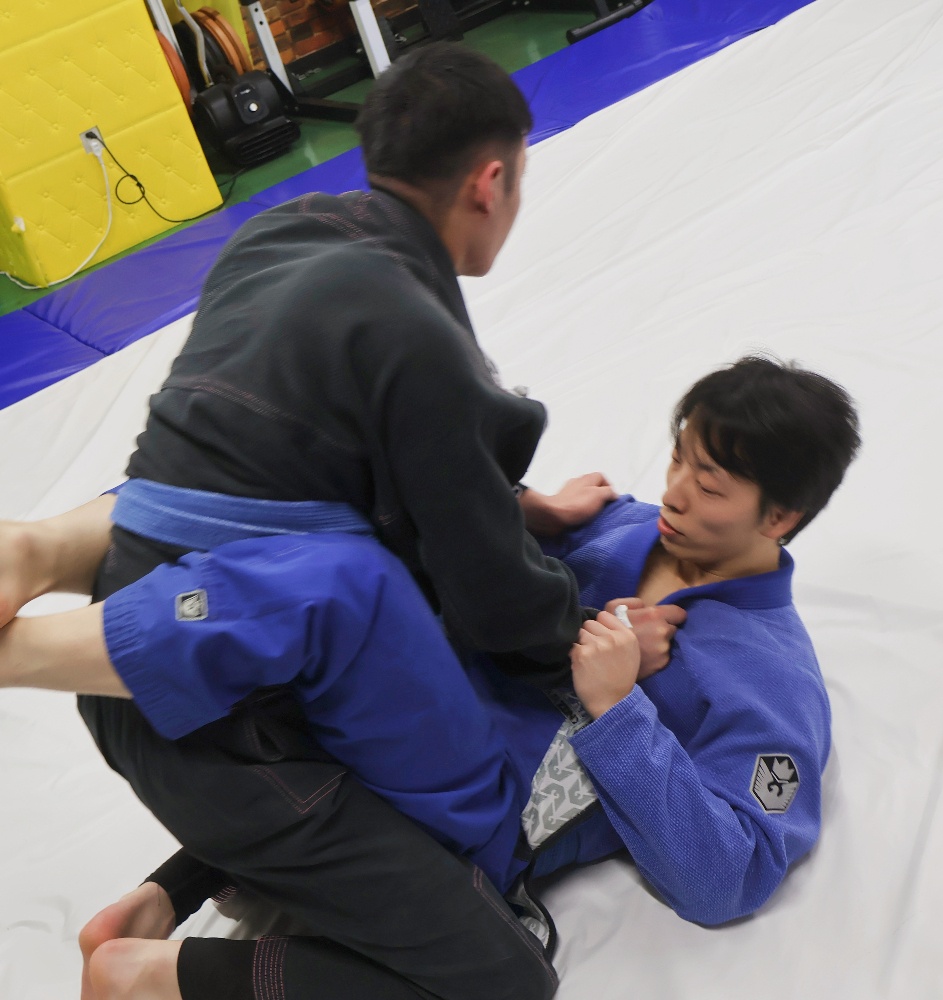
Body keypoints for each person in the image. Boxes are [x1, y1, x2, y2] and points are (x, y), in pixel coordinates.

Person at [9, 41, 681, 1000]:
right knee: (504, 979)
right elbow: (490, 595)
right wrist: (588, 649)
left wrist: (513, 501)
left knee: (293, 556)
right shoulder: (417, 335)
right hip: (208, 710)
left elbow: (301, 467)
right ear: (490, 181)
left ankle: (155, 890)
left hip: (142, 600)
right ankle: (147, 976)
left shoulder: (279, 233)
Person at [1, 357, 861, 1000]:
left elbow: (728, 876)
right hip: (361, 733)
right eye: (677, 458)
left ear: (781, 515)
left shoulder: (767, 677)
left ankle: (157, 927)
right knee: (337, 499)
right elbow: (448, 536)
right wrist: (521, 508)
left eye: (708, 484)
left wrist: (617, 710)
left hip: (457, 814)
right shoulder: (611, 527)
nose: (673, 491)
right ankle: (54, 557)